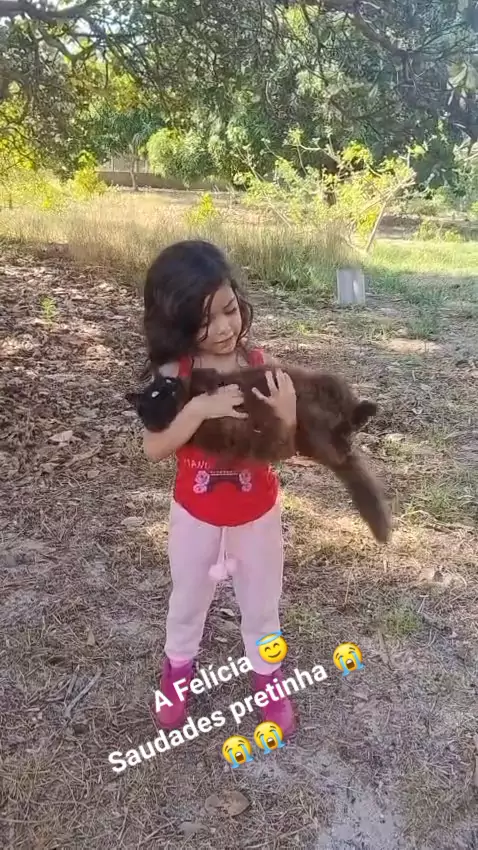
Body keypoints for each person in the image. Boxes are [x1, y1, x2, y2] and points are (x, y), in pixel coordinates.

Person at [142, 239, 297, 737]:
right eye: (205, 320)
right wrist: (198, 409)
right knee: (188, 599)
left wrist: (287, 416)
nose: (225, 328)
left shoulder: (258, 363)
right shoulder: (175, 373)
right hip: (195, 515)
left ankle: (268, 678)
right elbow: (154, 447)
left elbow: (281, 449)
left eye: (230, 310)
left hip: (257, 514)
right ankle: (177, 671)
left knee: (262, 604)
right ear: (178, 322)